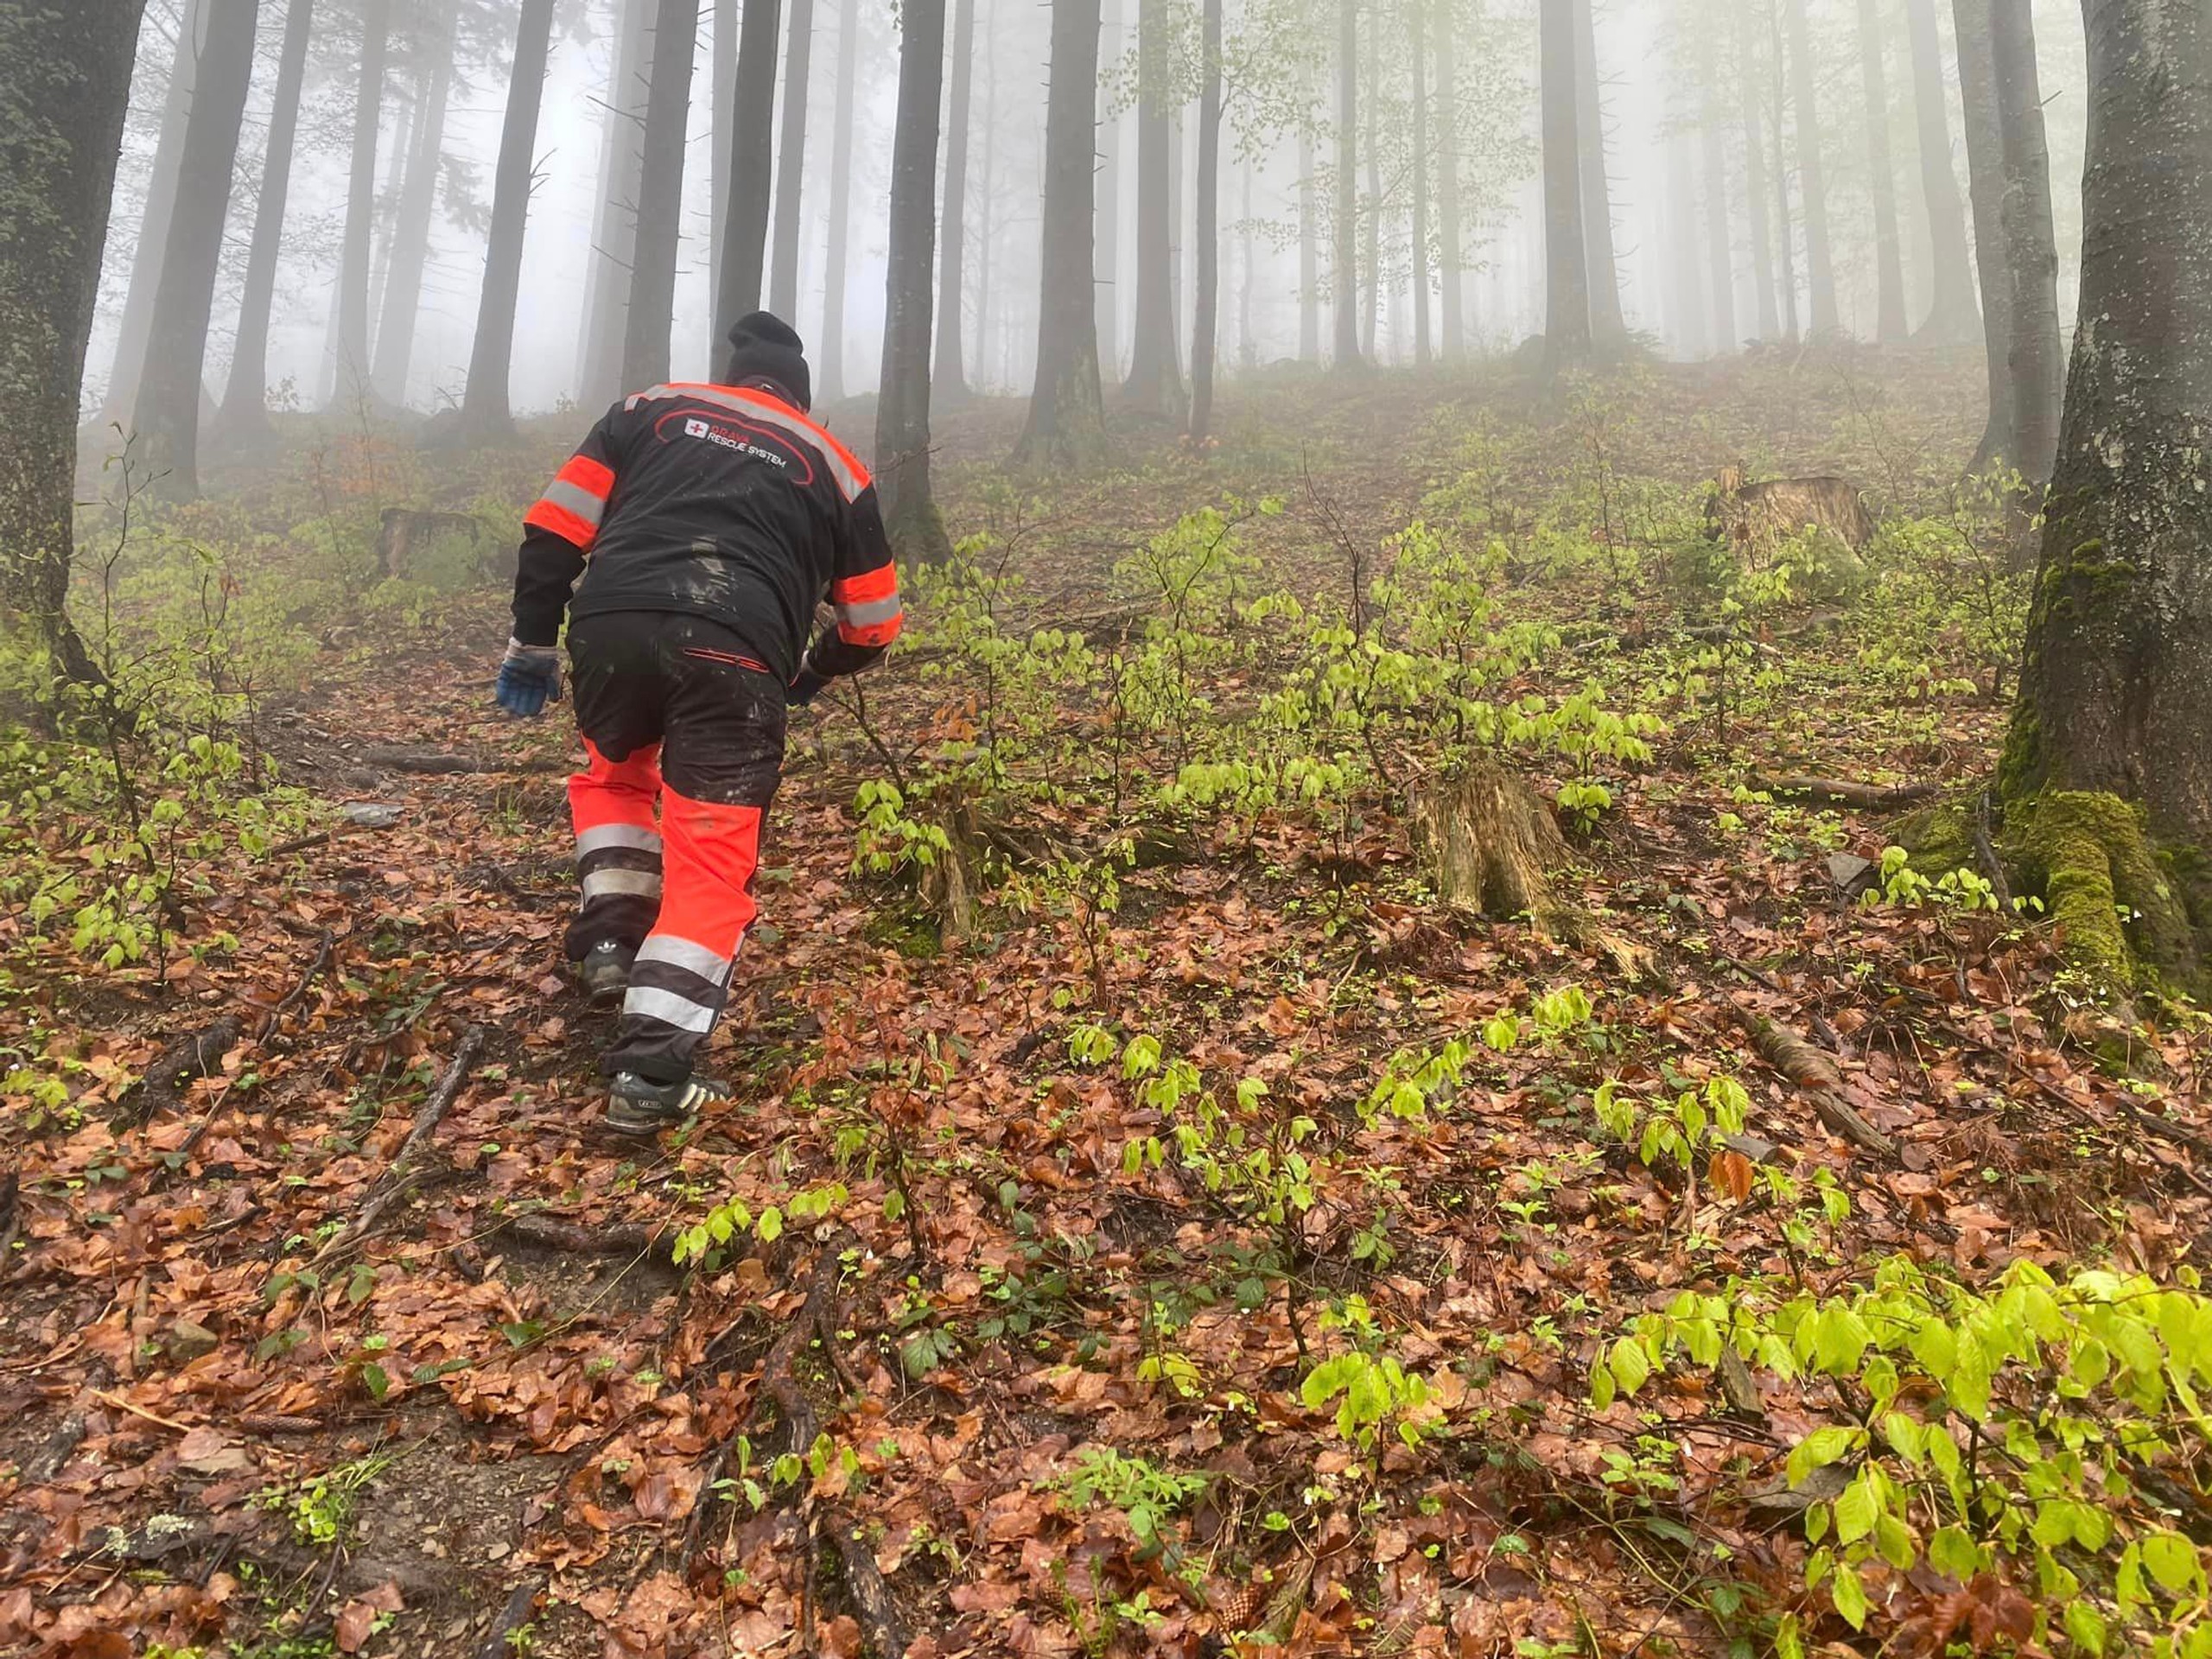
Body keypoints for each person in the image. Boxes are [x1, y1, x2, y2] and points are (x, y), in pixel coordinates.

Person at [493, 313, 901, 1134]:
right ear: (800, 395)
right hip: (738, 649)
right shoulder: (835, 464)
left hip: (611, 623)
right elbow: (875, 621)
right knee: (712, 855)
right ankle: (651, 1071)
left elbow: (554, 527)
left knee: (614, 777)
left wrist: (533, 640)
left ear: (733, 375)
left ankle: (612, 942)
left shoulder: (649, 407)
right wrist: (807, 676)